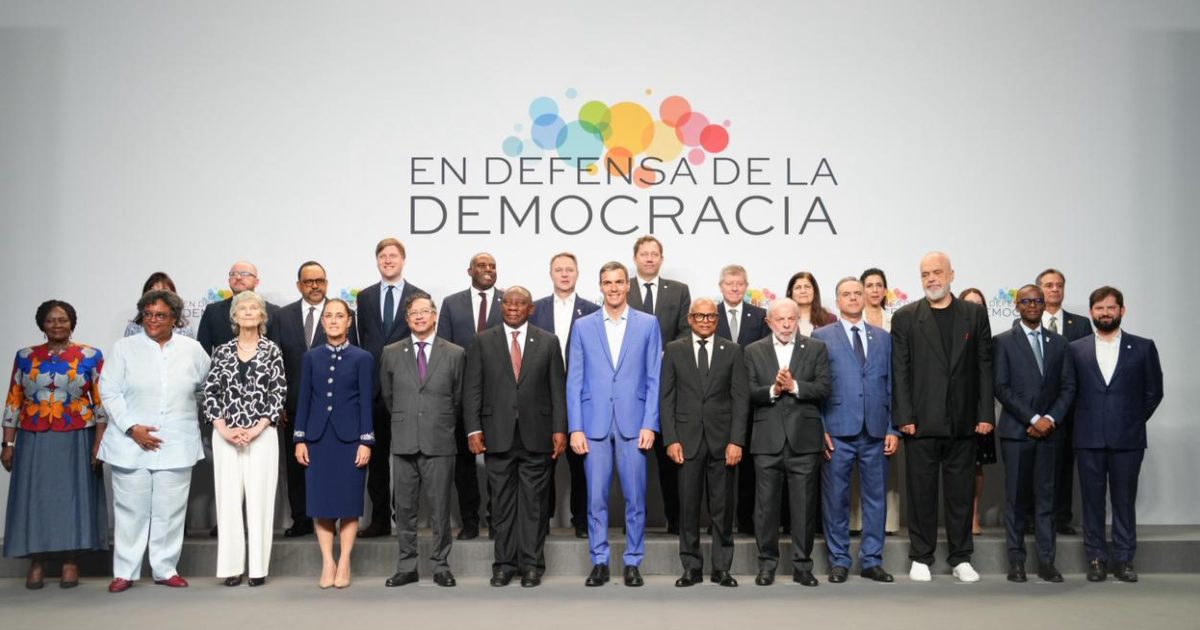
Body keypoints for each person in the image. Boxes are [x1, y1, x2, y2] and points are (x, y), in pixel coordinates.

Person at [98, 290, 211, 593]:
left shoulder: (192, 349)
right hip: (130, 443)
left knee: (170, 511)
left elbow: (206, 388)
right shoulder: (124, 348)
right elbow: (108, 390)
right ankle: (125, 572)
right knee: (130, 512)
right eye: (147, 314)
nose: (152, 320)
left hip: (176, 442)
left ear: (175, 318)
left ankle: (165, 569)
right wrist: (131, 427)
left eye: (160, 315)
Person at [891, 252, 994, 583]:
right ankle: (921, 557)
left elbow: (984, 366)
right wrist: (904, 415)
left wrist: (985, 413)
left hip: (964, 421)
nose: (931, 279)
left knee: (960, 494)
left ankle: (961, 558)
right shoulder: (906, 317)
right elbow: (900, 371)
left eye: (937, 272)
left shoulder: (974, 314)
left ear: (951, 274)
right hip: (920, 422)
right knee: (921, 494)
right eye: (925, 274)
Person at [463, 286, 567, 588]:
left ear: (530, 309)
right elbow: (472, 389)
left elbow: (557, 390)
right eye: (507, 302)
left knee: (534, 505)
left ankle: (532, 566)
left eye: (519, 303)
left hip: (538, 434)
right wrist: (473, 429)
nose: (512, 307)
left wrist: (560, 428)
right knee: (502, 505)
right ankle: (504, 565)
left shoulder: (548, 341)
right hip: (496, 435)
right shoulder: (483, 341)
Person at [568, 261, 662, 588]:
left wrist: (650, 423)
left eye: (619, 282)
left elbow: (654, 378)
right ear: (600, 286)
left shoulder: (648, 324)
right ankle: (599, 561)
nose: (613, 288)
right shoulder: (583, 326)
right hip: (593, 424)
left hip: (634, 424)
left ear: (628, 285)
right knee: (596, 499)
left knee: (636, 499)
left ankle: (633, 561)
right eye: (607, 282)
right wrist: (575, 427)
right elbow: (574, 380)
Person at [3, 300, 108, 590]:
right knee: (34, 501)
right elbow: (13, 400)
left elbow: (101, 402)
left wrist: (100, 442)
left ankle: (70, 561)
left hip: (77, 435)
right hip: (34, 437)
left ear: (72, 323)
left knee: (72, 501)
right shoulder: (25, 356)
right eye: (50, 320)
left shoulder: (90, 355)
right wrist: (8, 442)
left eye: (62, 320)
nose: (57, 325)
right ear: (42, 324)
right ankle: (36, 561)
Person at [1070, 286, 1163, 583]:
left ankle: (1124, 559)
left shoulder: (1144, 347)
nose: (1105, 313)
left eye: (1111, 307)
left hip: (1128, 438)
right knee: (1092, 502)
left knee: (1124, 501)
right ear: (1091, 312)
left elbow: (1154, 391)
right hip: (1088, 438)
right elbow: (1069, 392)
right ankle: (1096, 558)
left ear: (1122, 310)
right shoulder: (1076, 349)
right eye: (1099, 308)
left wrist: (1131, 420)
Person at [812, 278, 898, 584]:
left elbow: (892, 386)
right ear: (837, 301)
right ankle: (839, 561)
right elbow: (816, 386)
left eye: (857, 293)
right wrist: (820, 428)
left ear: (866, 298)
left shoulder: (883, 338)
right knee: (836, 499)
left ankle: (872, 561)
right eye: (846, 294)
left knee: (876, 499)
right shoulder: (821, 336)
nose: (853, 298)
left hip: (876, 430)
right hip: (836, 431)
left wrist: (893, 428)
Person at [660, 298, 748, 588]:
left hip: (723, 443)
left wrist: (737, 440)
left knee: (722, 509)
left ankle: (722, 568)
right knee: (688, 509)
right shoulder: (674, 350)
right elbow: (666, 398)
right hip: (686, 442)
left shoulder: (732, 350)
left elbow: (740, 399)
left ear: (717, 319)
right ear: (690, 319)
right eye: (700, 316)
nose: (705, 321)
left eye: (710, 316)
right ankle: (691, 567)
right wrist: (671, 439)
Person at [380, 292, 465, 588]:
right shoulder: (391, 352)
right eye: (413, 313)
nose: (419, 316)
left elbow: (457, 398)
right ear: (407, 319)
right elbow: (389, 396)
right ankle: (407, 567)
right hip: (404, 440)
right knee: (404, 509)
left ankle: (441, 566)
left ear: (434, 316)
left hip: (439, 439)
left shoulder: (455, 353)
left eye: (424, 311)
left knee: (440, 508)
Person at [744, 298, 831, 587]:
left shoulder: (816, 348)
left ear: (797, 321)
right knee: (766, 509)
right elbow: (748, 391)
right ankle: (766, 566)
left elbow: (824, 387)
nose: (785, 325)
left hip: (804, 441)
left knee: (804, 508)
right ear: (769, 322)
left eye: (790, 319)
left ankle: (802, 567)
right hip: (767, 440)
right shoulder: (753, 351)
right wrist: (773, 388)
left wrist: (794, 386)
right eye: (779, 320)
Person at [202, 290, 286, 587]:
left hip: (261, 436)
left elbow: (278, 394)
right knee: (228, 502)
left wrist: (256, 429)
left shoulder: (272, 350)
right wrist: (224, 429)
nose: (248, 311)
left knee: (260, 501)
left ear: (262, 316)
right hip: (226, 436)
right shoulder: (222, 351)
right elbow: (210, 393)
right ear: (234, 316)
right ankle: (231, 567)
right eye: (242, 308)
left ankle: (258, 569)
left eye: (254, 308)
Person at [993, 284, 1076, 583]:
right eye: (1026, 301)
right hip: (1017, 433)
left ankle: (1046, 562)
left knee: (1046, 500)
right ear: (1016, 306)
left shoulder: (1060, 343)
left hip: (1050, 434)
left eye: (1037, 301)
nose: (1031, 305)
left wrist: (1049, 419)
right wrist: (1033, 418)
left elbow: (1068, 387)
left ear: (1044, 305)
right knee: (1016, 501)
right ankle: (1016, 561)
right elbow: (1001, 387)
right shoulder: (1003, 342)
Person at [293, 299, 374, 589]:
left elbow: (367, 402)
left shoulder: (363, 358)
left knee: (349, 503)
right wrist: (300, 438)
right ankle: (328, 561)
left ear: (349, 321)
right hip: (318, 439)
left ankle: (345, 560)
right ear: (323, 321)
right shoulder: (311, 357)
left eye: (340, 316)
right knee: (322, 503)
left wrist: (366, 441)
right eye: (329, 316)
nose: (334, 320)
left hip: (350, 440)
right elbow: (304, 399)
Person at [277, 261, 358, 538]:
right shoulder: (283, 316)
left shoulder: (340, 314)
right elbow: (276, 363)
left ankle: (331, 520)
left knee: (331, 469)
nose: (315, 286)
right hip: (294, 406)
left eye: (320, 281)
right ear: (299, 285)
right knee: (297, 466)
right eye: (309, 281)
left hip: (335, 408)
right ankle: (301, 520)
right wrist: (281, 403)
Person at [354, 238, 424, 538]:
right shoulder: (365, 297)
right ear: (377, 260)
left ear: (403, 260)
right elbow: (360, 339)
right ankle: (380, 520)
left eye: (393, 255)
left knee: (407, 458)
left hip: (406, 389)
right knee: (377, 458)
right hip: (372, 389)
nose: (388, 260)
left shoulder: (418, 296)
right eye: (383, 256)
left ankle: (404, 518)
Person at [529, 252, 600, 539]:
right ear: (551, 274)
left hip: (582, 398)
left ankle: (581, 519)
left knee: (582, 463)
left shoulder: (593, 311)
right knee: (543, 463)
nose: (564, 274)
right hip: (543, 398)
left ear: (577, 273)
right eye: (559, 269)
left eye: (569, 269)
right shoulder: (535, 309)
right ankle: (542, 520)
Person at [625, 235, 690, 534]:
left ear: (661, 259)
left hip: (669, 383)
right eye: (644, 254)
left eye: (654, 254)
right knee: (631, 459)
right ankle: (633, 522)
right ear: (635, 258)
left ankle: (675, 519)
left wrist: (665, 354)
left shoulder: (678, 290)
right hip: (631, 384)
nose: (649, 258)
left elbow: (685, 331)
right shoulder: (622, 287)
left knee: (669, 458)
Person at [437, 252, 503, 540]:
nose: (488, 269)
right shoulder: (452, 303)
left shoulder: (508, 302)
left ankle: (497, 520)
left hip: (499, 395)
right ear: (470, 271)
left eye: (492, 266)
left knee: (498, 463)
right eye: (482, 265)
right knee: (464, 464)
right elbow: (443, 348)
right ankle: (470, 521)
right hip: (462, 394)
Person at [714, 265, 770, 535]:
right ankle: (721, 522)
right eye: (729, 283)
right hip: (718, 398)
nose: (734, 288)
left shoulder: (759, 316)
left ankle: (746, 520)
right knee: (719, 465)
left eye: (739, 283)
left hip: (750, 399)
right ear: (721, 286)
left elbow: (764, 356)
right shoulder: (710, 314)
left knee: (748, 465)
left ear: (746, 286)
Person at [1036, 268, 1092, 535]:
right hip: (1035, 410)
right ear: (1039, 289)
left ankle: (1061, 518)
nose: (1055, 289)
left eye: (1059, 285)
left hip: (1069, 409)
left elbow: (1086, 365)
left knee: (1064, 464)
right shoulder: (1024, 322)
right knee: (1035, 468)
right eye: (1049, 285)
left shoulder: (1080, 324)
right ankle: (1033, 518)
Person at [860, 267, 900, 536]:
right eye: (869, 285)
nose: (874, 290)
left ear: (885, 290)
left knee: (883, 476)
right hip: (854, 410)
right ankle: (856, 524)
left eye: (879, 285)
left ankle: (887, 524)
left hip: (883, 406)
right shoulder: (850, 320)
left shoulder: (896, 321)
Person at [959, 287, 998, 535]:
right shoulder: (952, 332)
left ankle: (973, 515)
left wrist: (985, 413)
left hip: (979, 408)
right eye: (969, 303)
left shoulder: (990, 339)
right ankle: (957, 517)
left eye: (979, 304)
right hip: (952, 408)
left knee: (976, 466)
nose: (974, 308)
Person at [196, 261, 281, 355]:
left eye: (245, 274)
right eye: (233, 274)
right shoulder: (212, 311)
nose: (238, 277)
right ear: (229, 281)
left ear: (256, 282)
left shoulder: (274, 312)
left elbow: (278, 351)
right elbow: (202, 353)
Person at [124, 272, 194, 338]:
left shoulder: (184, 330)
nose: (158, 297)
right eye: (153, 292)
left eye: (164, 292)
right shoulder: (133, 329)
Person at [785, 271, 836, 336]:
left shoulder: (829, 319)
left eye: (807, 287)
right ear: (790, 292)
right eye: (798, 287)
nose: (803, 291)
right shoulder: (781, 319)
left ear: (814, 291)